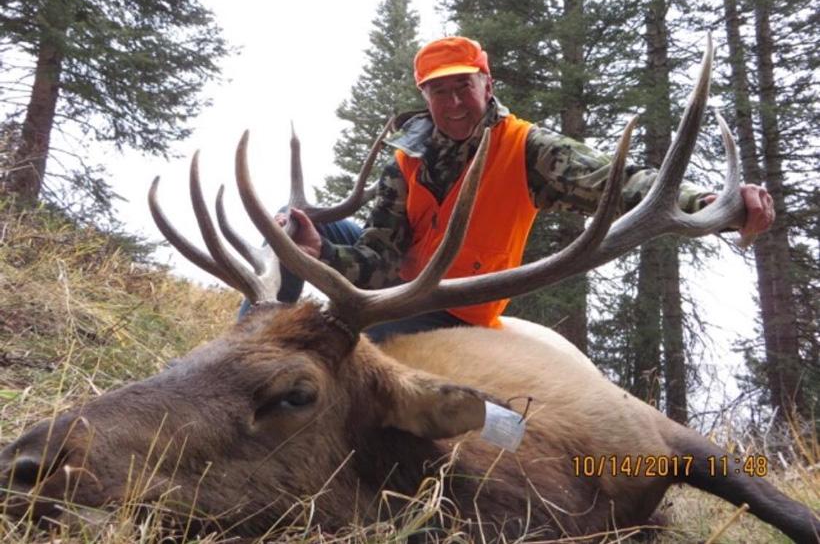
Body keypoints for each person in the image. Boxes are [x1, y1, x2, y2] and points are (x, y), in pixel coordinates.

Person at [251, 36, 775, 342]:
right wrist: (318, 250)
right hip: (400, 280)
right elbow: (381, 258)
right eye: (439, 91)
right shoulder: (407, 157)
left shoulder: (526, 147)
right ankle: (253, 336)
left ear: (487, 85)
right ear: (425, 96)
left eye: (464, 87)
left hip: (454, 304)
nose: (454, 102)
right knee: (292, 222)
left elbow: (614, 182)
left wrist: (701, 203)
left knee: (361, 345)